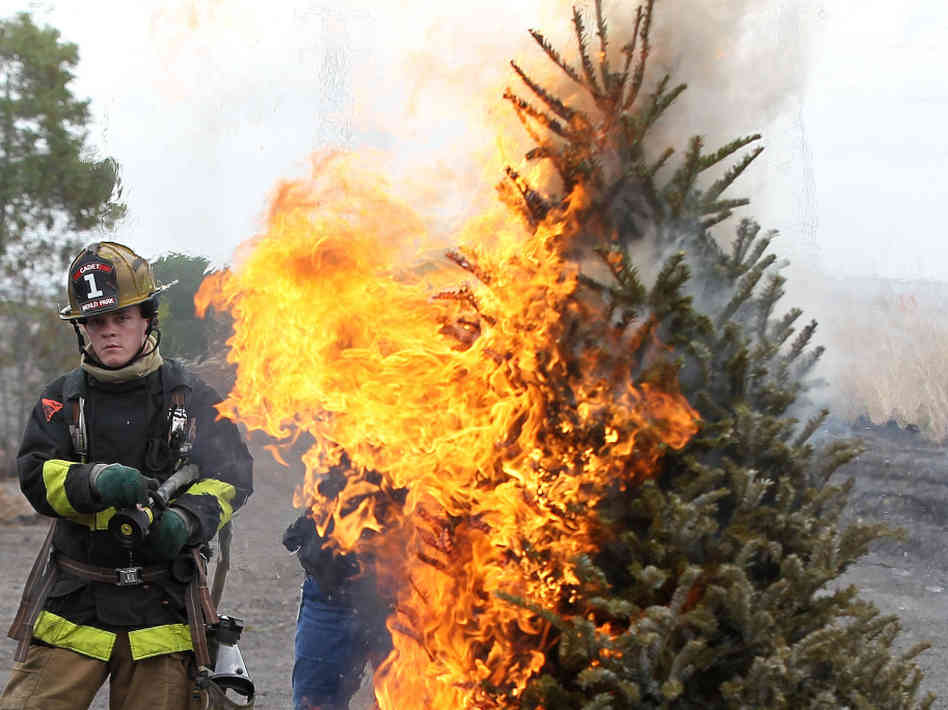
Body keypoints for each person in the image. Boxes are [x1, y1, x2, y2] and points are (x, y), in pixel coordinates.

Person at [0, 241, 253, 710]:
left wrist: (186, 520)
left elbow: (233, 477)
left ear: (147, 320)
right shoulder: (62, 400)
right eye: (97, 322)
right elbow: (34, 475)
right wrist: (94, 480)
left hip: (161, 612)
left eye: (122, 319)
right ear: (82, 329)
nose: (109, 332)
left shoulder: (192, 397)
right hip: (74, 605)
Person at [283, 459, 394, 710]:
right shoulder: (355, 427)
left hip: (403, 598)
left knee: (410, 699)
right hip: (330, 591)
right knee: (316, 703)